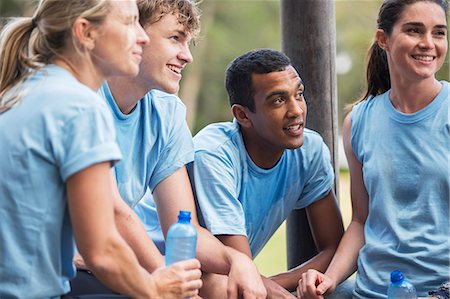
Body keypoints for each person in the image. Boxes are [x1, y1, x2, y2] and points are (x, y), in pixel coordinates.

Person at [0, 0, 202, 298]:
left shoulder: (26, 91)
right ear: (86, 33)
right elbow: (103, 250)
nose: (142, 37)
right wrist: (156, 288)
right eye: (128, 23)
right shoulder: (79, 107)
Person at [70, 0, 267, 298]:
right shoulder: (84, 95)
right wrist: (164, 282)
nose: (187, 56)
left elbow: (181, 223)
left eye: (188, 42)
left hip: (107, 261)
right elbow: (113, 211)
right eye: (175, 38)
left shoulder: (167, 112)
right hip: (63, 264)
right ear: (134, 32)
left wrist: (235, 260)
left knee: (215, 282)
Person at [297, 0, 449, 298]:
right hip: (371, 290)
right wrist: (330, 279)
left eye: (439, 33)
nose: (428, 43)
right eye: (414, 30)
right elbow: (361, 221)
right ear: (384, 40)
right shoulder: (359, 121)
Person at [188, 48, 345, 298]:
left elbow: (335, 248)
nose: (297, 110)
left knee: (341, 288)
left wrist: (280, 282)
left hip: (226, 276)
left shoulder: (309, 150)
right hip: (166, 268)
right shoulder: (214, 154)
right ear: (242, 115)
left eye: (299, 95)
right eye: (278, 100)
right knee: (220, 287)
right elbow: (237, 266)